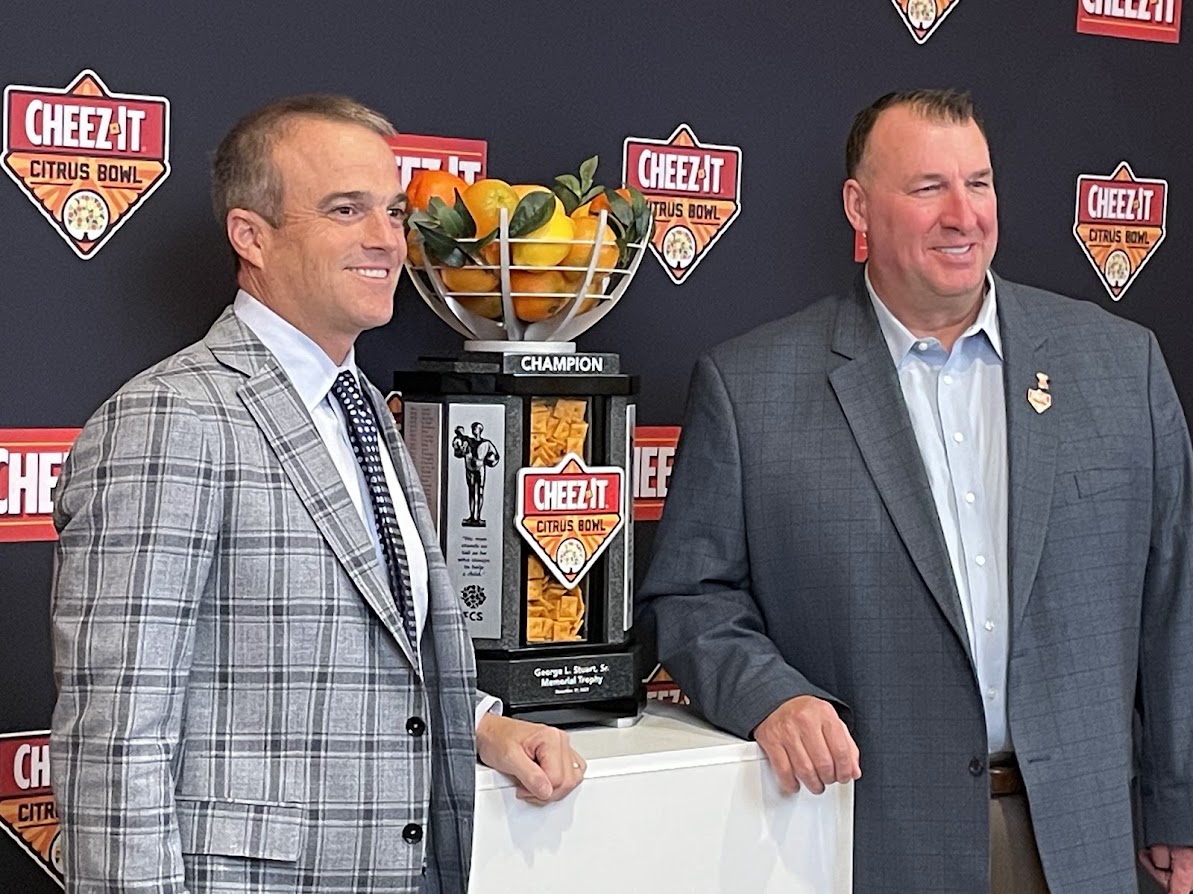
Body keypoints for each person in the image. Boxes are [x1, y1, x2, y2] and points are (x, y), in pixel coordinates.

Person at [636, 89, 1193, 894]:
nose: (962, 215)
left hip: (1079, 839)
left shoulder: (1120, 366)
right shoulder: (749, 386)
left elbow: (1176, 598)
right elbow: (688, 597)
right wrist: (770, 697)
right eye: (927, 187)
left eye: (979, 183)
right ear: (859, 207)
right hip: (866, 840)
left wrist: (1179, 803)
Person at [49, 93, 585, 894]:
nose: (385, 239)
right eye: (345, 209)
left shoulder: (362, 404)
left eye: (394, 211)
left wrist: (477, 723)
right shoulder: (171, 416)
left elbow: (343, 650)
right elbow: (116, 735)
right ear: (250, 235)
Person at [453, 421, 500, 526]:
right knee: (471, 491)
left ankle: (477, 516)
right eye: (473, 428)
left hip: (480, 469)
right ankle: (472, 516)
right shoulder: (467, 441)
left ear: (480, 430)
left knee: (479, 492)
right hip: (469, 469)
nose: (473, 430)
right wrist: (459, 447)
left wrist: (489, 460)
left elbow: (495, 456)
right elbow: (458, 453)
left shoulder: (486, 444)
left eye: (475, 428)